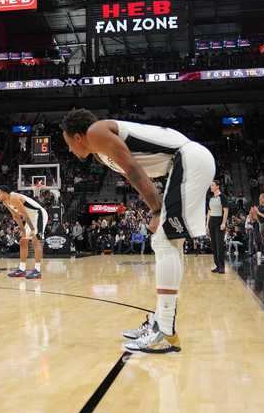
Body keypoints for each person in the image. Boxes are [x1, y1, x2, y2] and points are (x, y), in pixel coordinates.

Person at [61, 108, 215, 354]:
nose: (70, 149)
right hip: (184, 164)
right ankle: (159, 322)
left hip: (189, 159)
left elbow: (133, 171)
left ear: (78, 136)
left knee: (165, 242)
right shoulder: (100, 152)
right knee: (167, 243)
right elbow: (139, 171)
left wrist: (156, 210)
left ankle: (164, 330)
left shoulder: (96, 132)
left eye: (68, 143)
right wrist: (157, 207)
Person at [0, 185, 48, 280]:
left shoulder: (13, 197)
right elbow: (16, 216)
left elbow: (25, 216)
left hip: (39, 214)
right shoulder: (5, 202)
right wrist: (23, 231)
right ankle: (22, 269)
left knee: (36, 240)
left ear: (5, 193)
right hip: (30, 218)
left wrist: (32, 230)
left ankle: (37, 270)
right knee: (23, 241)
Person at [206, 180, 229, 273]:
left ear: (217, 186)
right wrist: (207, 224)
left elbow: (226, 211)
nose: (211, 187)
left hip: (219, 221)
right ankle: (217, 265)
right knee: (214, 246)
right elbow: (209, 211)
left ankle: (222, 267)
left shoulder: (222, 197)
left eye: (212, 185)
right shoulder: (210, 197)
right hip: (212, 221)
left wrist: (223, 223)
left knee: (219, 245)